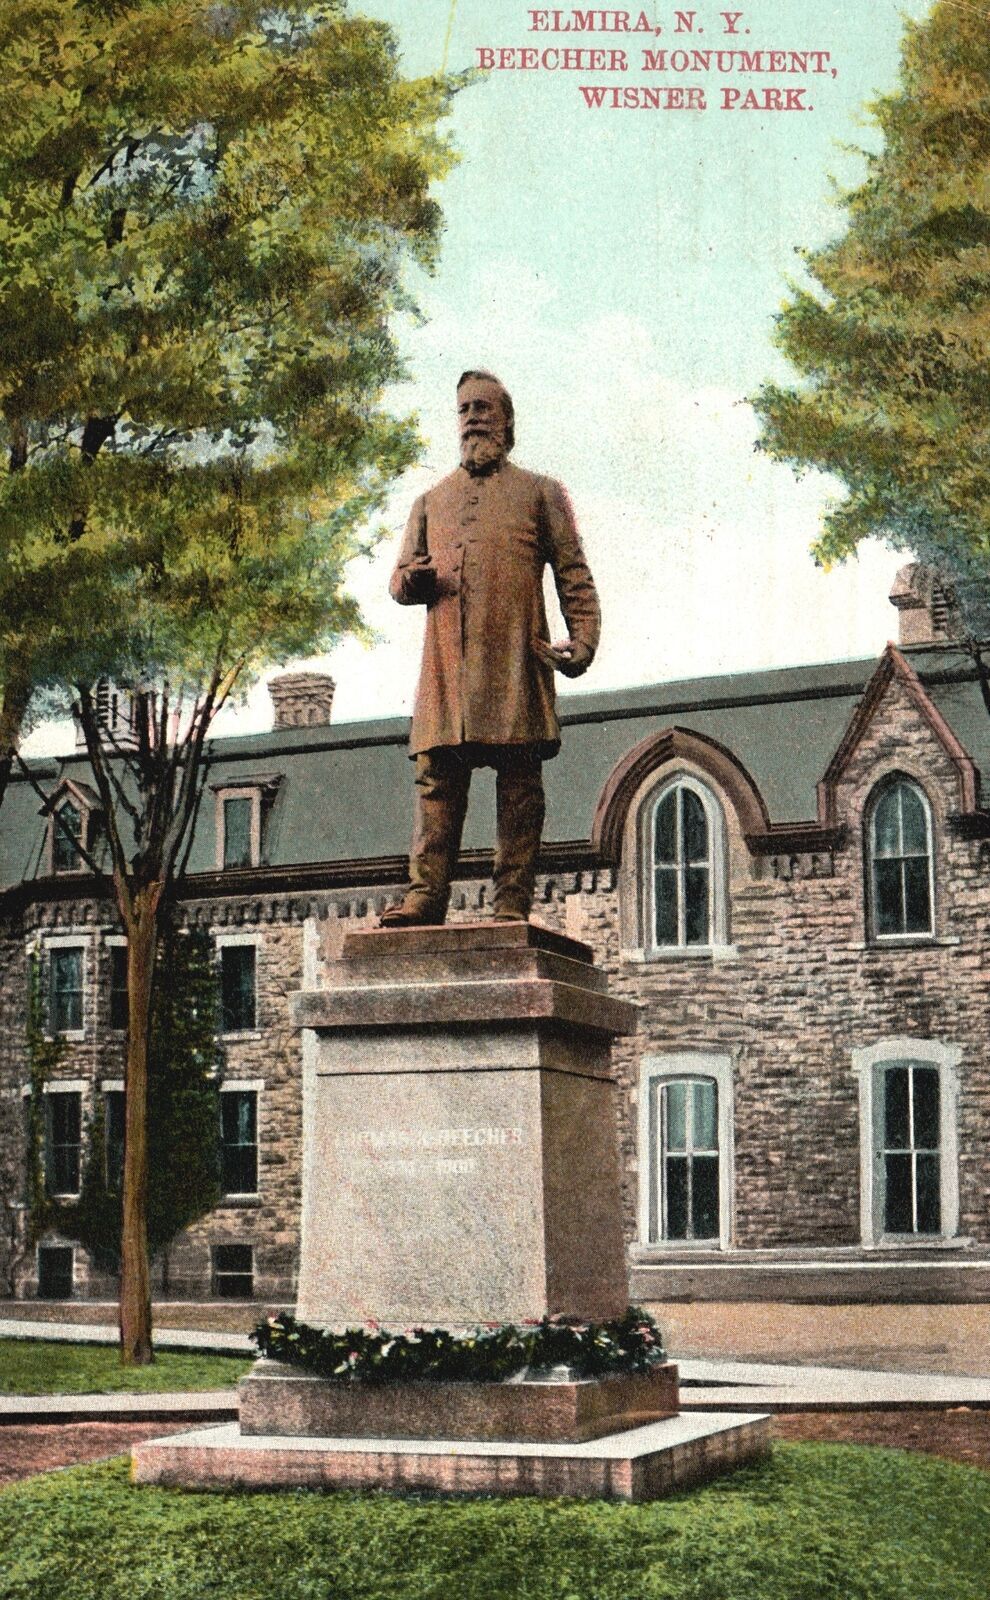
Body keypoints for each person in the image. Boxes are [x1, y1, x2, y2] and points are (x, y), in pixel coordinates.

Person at [380, 370, 600, 926]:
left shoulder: (540, 493)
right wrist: (415, 581)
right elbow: (399, 579)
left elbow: (573, 574)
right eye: (464, 409)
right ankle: (426, 896)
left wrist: (584, 638)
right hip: (447, 671)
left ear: (507, 423)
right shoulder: (430, 501)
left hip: (513, 660)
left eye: (484, 407)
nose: (473, 417)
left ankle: (511, 901)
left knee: (520, 782)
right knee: (436, 779)